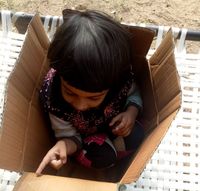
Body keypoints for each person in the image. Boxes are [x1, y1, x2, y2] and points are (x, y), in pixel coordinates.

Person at [36, 9, 145, 176]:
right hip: (83, 140)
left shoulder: (119, 81)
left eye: (94, 97)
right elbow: (70, 136)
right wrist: (64, 146)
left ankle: (112, 150)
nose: (80, 105)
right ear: (60, 75)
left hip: (110, 124)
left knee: (137, 135)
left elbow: (134, 93)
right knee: (102, 157)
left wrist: (131, 112)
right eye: (70, 93)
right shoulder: (54, 99)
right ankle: (108, 153)